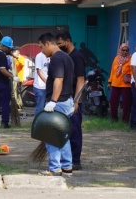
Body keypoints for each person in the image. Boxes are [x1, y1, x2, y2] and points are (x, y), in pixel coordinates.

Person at [37, 32, 75, 177]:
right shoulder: (67, 57)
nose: (41, 51)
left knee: (52, 135)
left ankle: (54, 168)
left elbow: (58, 80)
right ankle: (67, 166)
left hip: (58, 102)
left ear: (48, 43)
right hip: (67, 101)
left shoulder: (56, 59)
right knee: (63, 135)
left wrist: (53, 101)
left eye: (41, 47)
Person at [55, 30, 86, 171]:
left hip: (74, 100)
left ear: (68, 41)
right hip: (65, 99)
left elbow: (80, 80)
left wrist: (76, 101)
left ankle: (76, 160)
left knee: (74, 130)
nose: (59, 46)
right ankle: (66, 159)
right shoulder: (65, 56)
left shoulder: (77, 56)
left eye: (60, 43)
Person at [108, 43, 132, 123]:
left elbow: (133, 71)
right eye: (123, 50)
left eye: (127, 50)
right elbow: (113, 71)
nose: (125, 52)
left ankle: (125, 120)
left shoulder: (131, 59)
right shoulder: (116, 59)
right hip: (115, 83)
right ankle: (114, 118)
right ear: (120, 50)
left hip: (126, 84)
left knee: (126, 103)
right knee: (113, 101)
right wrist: (109, 81)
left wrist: (129, 75)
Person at [33, 50, 49, 116]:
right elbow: (39, 71)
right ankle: (37, 124)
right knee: (40, 108)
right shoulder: (39, 56)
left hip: (48, 86)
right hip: (40, 87)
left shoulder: (51, 56)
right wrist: (47, 82)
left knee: (48, 108)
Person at [10, 46, 26, 114]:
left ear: (18, 52)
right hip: (13, 79)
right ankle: (14, 105)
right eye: (13, 52)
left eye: (15, 52)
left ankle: (18, 105)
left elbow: (22, 64)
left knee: (18, 93)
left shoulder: (21, 58)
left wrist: (18, 57)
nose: (14, 53)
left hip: (18, 79)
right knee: (14, 92)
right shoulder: (12, 59)